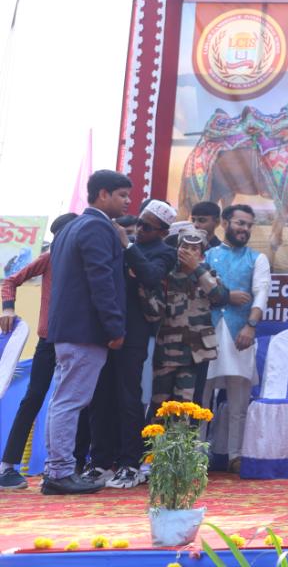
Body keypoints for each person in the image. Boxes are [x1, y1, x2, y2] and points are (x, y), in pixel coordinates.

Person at [41, 170, 131, 495]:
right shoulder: (97, 227)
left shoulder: (70, 227)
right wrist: (114, 326)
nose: (127, 202)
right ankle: (60, 472)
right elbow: (101, 280)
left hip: (68, 329)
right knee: (69, 402)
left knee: (62, 401)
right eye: (122, 195)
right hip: (85, 331)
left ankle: (56, 470)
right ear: (102, 194)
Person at [87, 199, 177, 489]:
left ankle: (130, 464)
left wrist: (127, 246)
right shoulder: (125, 248)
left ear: (163, 232)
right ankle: (100, 462)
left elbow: (151, 276)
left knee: (128, 397)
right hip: (106, 331)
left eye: (147, 227)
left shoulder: (164, 252)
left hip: (134, 334)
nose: (139, 229)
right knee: (101, 397)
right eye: (139, 223)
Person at [0, 212, 78, 490]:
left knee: (74, 402)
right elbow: (10, 280)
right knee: (34, 398)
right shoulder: (50, 258)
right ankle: (7, 466)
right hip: (50, 339)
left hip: (80, 341)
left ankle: (72, 466)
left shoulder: (90, 260)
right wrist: (8, 309)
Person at [205, 204, 272, 473]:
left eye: (248, 225)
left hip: (240, 333)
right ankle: (196, 455)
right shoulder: (207, 255)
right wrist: (226, 296)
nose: (244, 229)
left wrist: (251, 326)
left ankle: (237, 455)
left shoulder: (257, 258)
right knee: (201, 397)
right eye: (240, 223)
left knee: (239, 399)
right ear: (225, 223)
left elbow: (261, 294)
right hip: (206, 333)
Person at [142, 226, 227, 409]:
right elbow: (153, 313)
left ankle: (184, 430)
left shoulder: (208, 274)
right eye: (184, 247)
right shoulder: (166, 275)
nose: (188, 251)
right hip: (168, 351)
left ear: (201, 255)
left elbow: (220, 297)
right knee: (160, 406)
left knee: (187, 407)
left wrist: (196, 269)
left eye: (194, 248)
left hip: (197, 353)